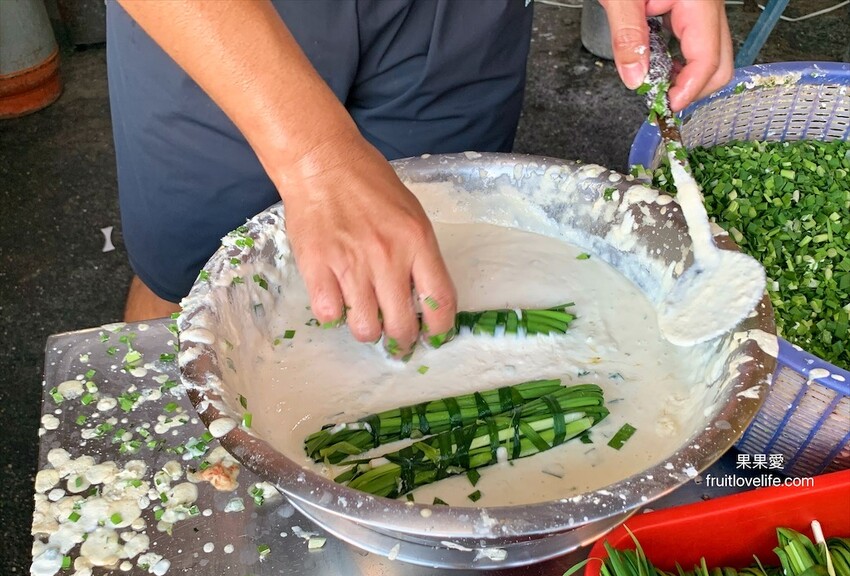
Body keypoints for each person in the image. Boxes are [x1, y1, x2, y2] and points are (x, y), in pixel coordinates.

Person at [107, 0, 733, 359]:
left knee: (430, 252)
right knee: (195, 282)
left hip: (458, 16)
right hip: (220, 19)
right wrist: (314, 157)